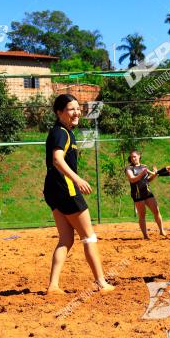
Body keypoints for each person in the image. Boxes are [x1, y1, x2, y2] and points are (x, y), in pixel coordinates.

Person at [43, 94, 114, 294]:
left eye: (78, 108)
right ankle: (101, 282)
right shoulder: (61, 133)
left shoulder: (65, 132)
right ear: (59, 112)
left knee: (66, 239)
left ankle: (53, 286)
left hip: (53, 190)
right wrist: (77, 179)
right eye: (71, 109)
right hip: (66, 189)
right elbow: (57, 160)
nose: (77, 112)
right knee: (89, 237)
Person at [125, 150, 166, 239]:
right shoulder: (129, 168)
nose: (133, 158)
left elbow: (148, 180)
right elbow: (132, 179)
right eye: (132, 157)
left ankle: (162, 231)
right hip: (137, 194)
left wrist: (154, 174)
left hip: (147, 192)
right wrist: (142, 174)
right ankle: (145, 235)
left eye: (135, 156)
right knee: (142, 215)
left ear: (139, 156)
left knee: (156, 211)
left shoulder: (144, 167)